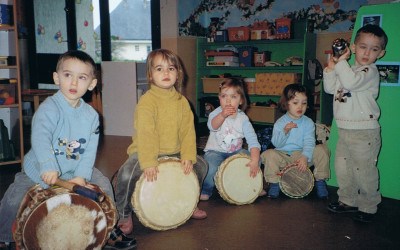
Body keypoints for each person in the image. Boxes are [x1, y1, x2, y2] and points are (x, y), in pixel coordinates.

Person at [0, 50, 136, 250]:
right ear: (56, 78)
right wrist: (47, 166)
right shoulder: (50, 108)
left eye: (81, 77)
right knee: (12, 200)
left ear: (91, 84)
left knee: (104, 185)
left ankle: (110, 230)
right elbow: (40, 137)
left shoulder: (91, 116)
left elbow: (89, 150)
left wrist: (81, 176)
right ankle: (4, 237)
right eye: (67, 75)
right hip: (39, 168)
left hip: (73, 168)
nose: (73, 83)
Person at [115, 49, 208, 235]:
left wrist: (188, 157)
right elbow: (146, 134)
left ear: (178, 73)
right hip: (147, 150)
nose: (166, 73)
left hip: (174, 150)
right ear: (150, 75)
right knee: (126, 174)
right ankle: (124, 213)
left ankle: (191, 202)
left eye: (171, 68)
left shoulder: (182, 102)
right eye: (159, 69)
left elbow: (188, 131)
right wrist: (148, 162)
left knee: (202, 166)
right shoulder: (147, 101)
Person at [323, 24, 388, 223]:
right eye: (363, 47)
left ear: (381, 53)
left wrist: (341, 62)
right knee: (343, 168)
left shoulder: (370, 71)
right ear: (353, 47)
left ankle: (368, 206)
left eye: (374, 49)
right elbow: (330, 88)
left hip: (364, 133)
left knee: (364, 171)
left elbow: (351, 83)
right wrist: (331, 68)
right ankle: (348, 200)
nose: (367, 52)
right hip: (345, 130)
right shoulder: (348, 70)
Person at [260, 83, 330, 199]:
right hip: (284, 156)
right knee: (268, 154)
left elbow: (309, 142)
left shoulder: (308, 122)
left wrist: (305, 156)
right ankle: (274, 183)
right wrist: (285, 132)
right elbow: (276, 144)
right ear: (286, 104)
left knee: (322, 150)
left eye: (304, 103)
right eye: (295, 103)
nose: (300, 107)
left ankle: (320, 181)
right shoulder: (280, 122)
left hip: (302, 156)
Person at [200, 77, 264, 201]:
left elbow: (252, 140)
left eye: (233, 97)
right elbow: (212, 126)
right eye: (224, 96)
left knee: (256, 159)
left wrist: (255, 160)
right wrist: (222, 115)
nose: (228, 100)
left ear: (241, 100)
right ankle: (206, 189)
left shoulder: (243, 119)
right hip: (215, 151)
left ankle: (251, 183)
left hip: (235, 152)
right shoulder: (216, 113)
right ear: (219, 98)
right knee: (210, 166)